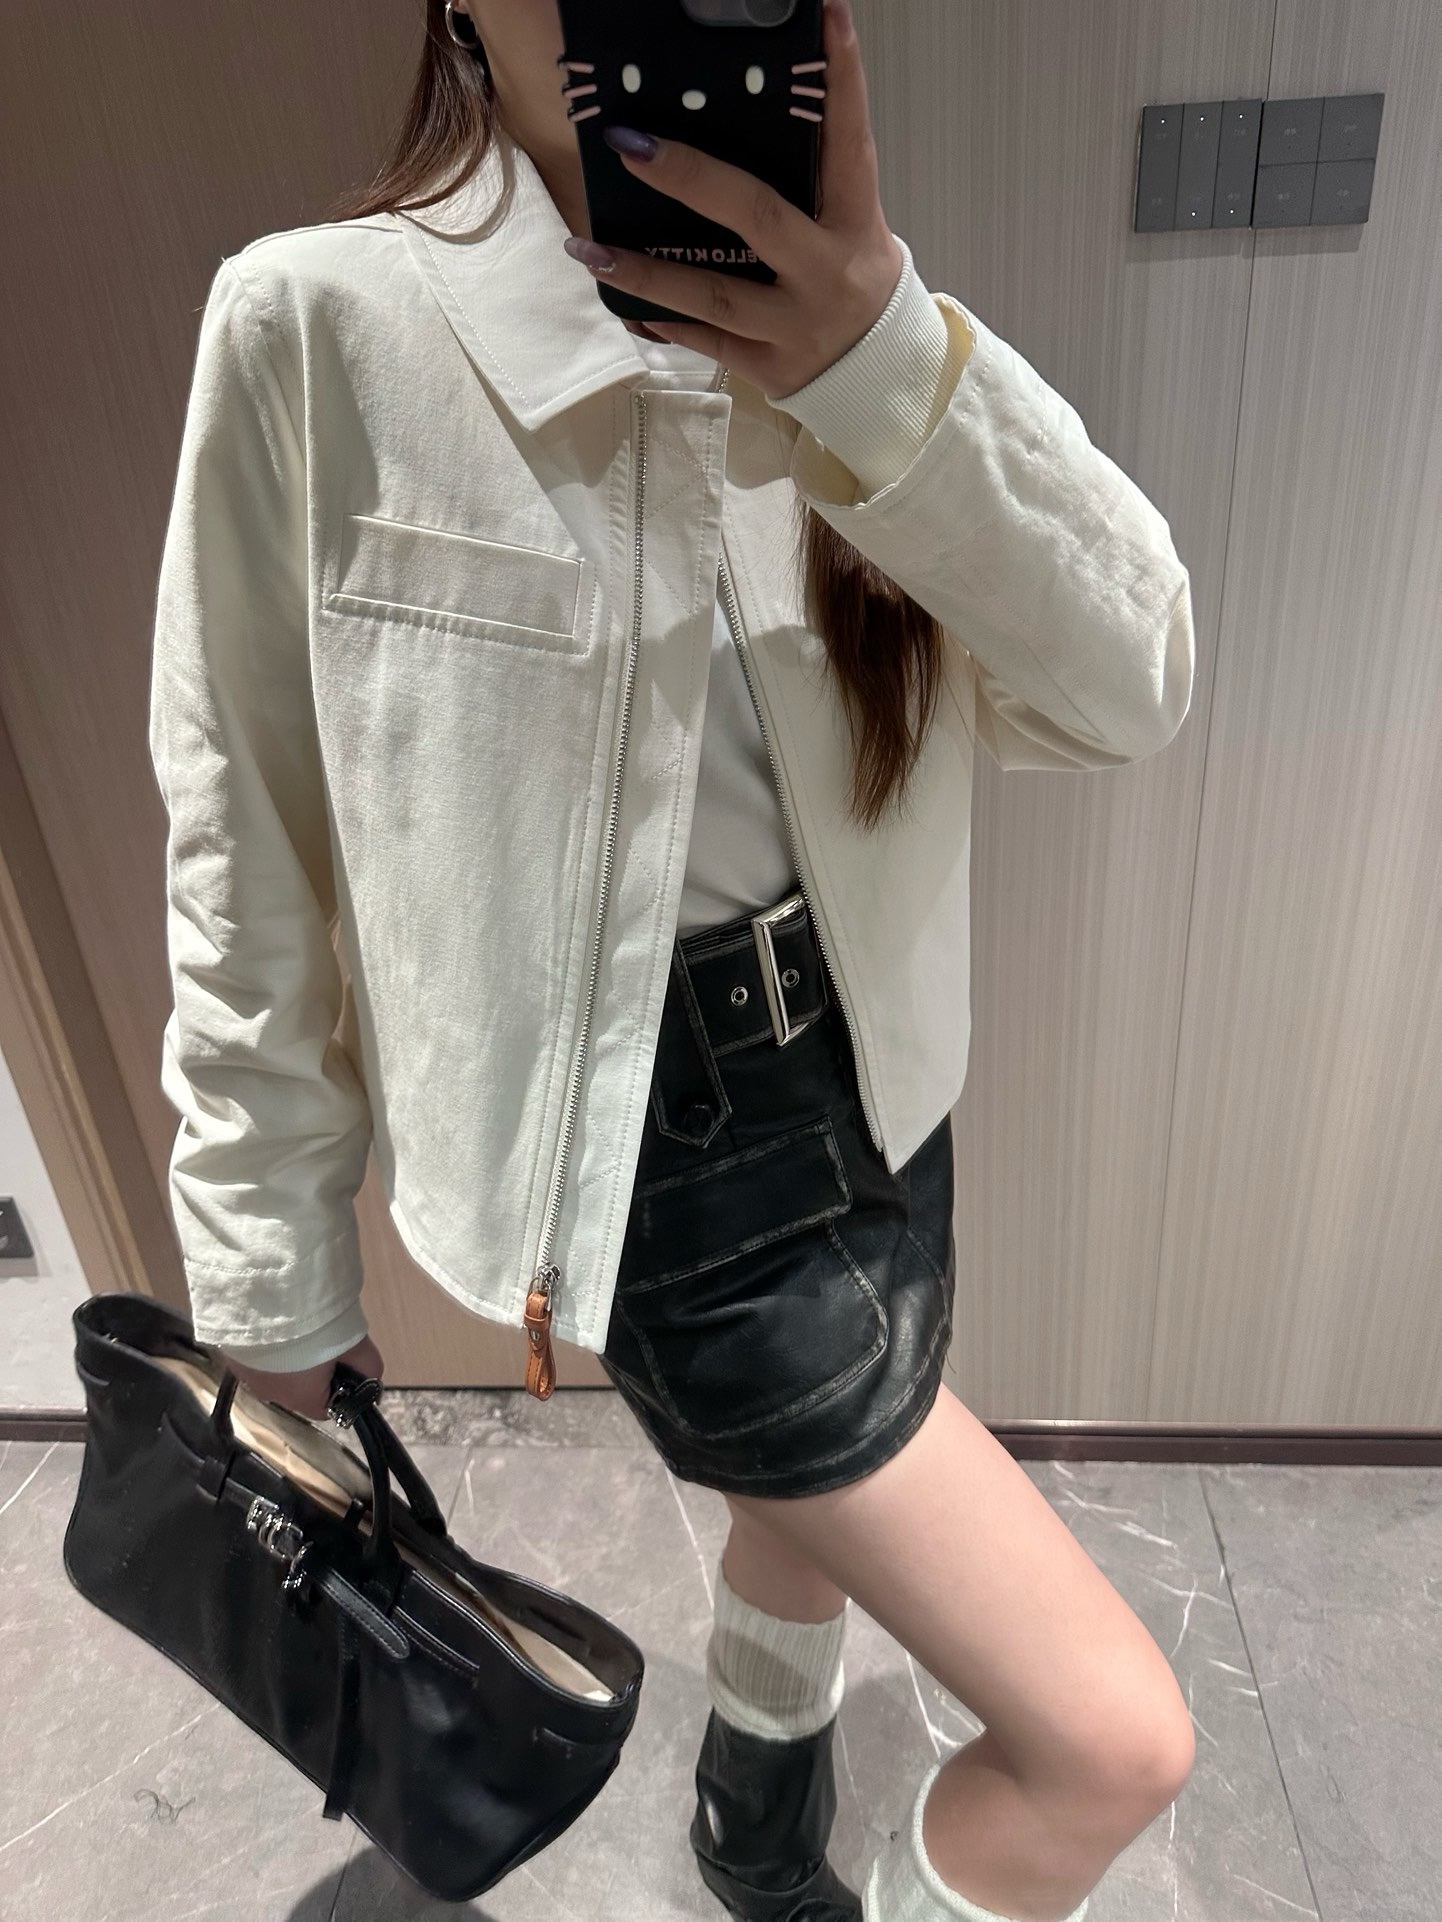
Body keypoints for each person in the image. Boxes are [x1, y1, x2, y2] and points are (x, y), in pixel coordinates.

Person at [146, 2, 1199, 1918]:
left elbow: (1129, 688)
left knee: (800, 1520)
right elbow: (247, 834)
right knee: (1108, 1741)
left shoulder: (859, 325)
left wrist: (882, 362)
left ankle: (752, 1814)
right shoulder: (317, 322)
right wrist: (268, 1259)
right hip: (673, 1160)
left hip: (885, 1071)